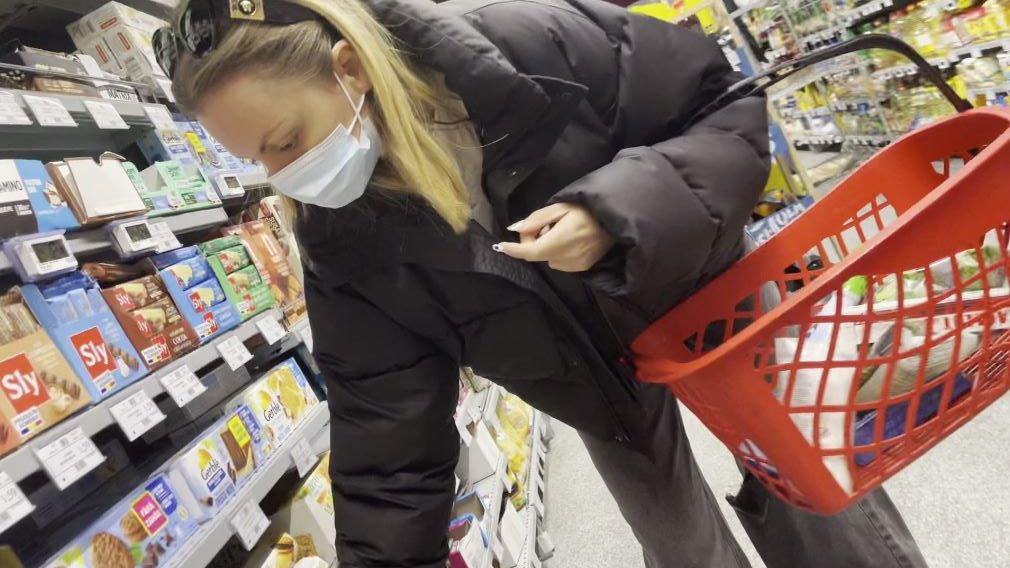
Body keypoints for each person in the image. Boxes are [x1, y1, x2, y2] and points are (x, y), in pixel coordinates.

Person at [158, 1, 927, 566]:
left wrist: (615, 212)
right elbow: (387, 436)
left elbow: (723, 108)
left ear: (350, 68)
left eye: (286, 140)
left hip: (701, 293)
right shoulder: (340, 237)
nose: (283, 175)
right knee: (679, 545)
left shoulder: (525, 44)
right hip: (584, 376)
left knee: (811, 494)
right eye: (258, 161)